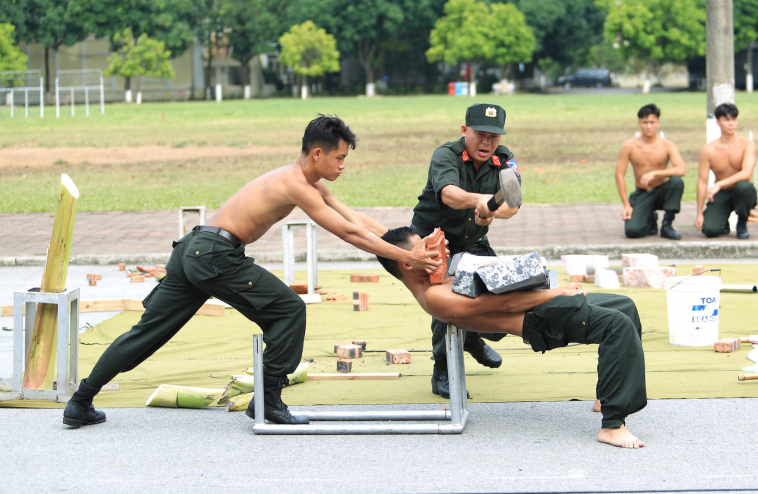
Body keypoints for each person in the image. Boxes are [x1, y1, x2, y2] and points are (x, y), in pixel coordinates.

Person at [63, 115, 441, 428]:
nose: (343, 166)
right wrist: (406, 258)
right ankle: (268, 400)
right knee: (289, 310)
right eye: (339, 158)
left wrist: (409, 245)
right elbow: (347, 233)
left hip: (193, 250)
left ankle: (80, 402)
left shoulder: (307, 181)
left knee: (146, 332)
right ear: (317, 153)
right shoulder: (296, 185)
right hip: (214, 255)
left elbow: (356, 219)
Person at [376, 227, 647, 449]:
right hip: (541, 319)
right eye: (425, 247)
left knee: (624, 305)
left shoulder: (436, 281)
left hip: (540, 307)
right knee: (617, 325)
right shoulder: (434, 296)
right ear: (406, 264)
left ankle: (608, 395)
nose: (436, 249)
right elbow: (506, 305)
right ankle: (612, 426)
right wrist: (558, 292)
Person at [411, 103, 521, 399]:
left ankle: (471, 336)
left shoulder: (505, 159)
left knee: (501, 292)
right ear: (465, 131)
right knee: (446, 299)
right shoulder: (445, 155)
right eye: (480, 134)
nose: (487, 143)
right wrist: (479, 201)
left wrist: (492, 213)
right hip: (434, 236)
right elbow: (448, 193)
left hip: (473, 238)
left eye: (494, 137)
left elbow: (513, 202)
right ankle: (443, 372)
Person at [615, 104, 687, 240]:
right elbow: (619, 175)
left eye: (652, 122)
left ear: (658, 124)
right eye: (645, 122)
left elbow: (681, 169)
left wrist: (656, 173)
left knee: (676, 181)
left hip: (662, 191)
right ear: (639, 124)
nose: (649, 126)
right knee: (633, 231)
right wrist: (626, 205)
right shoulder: (629, 146)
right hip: (642, 193)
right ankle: (650, 219)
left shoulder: (668, 145)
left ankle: (667, 224)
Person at [695, 103, 757, 239]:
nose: (731, 124)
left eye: (733, 119)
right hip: (722, 194)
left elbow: (746, 173)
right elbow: (702, 182)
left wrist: (719, 184)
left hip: (742, 192)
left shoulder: (747, 145)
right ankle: (722, 223)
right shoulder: (708, 150)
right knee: (710, 230)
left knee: (744, 186)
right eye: (726, 120)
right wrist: (699, 213)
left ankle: (742, 222)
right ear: (718, 122)